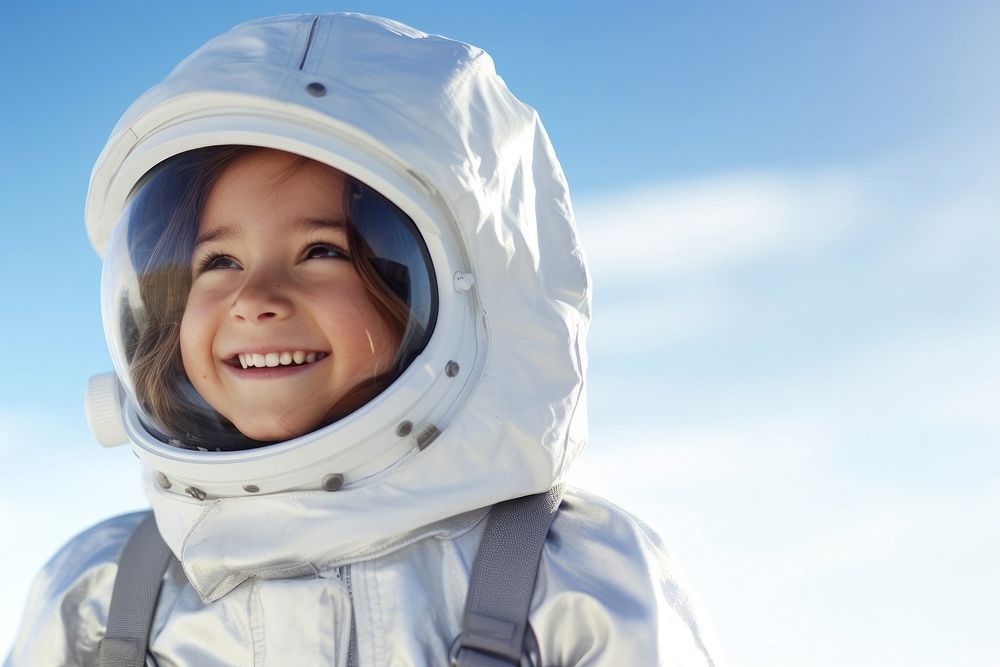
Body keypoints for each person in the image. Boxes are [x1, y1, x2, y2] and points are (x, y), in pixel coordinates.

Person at [5, 12, 724, 666]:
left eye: (322, 250)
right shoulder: (105, 594)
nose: (256, 300)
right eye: (219, 261)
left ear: (452, 285)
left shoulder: (573, 579)